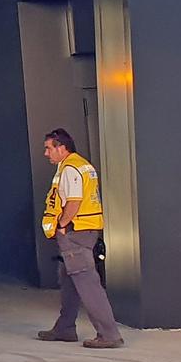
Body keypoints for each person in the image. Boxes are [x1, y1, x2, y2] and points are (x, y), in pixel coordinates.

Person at [37, 128, 123, 349]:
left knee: (87, 283)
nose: (46, 153)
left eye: (49, 148)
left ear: (61, 147)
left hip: (75, 233)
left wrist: (63, 225)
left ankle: (109, 334)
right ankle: (65, 327)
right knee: (68, 279)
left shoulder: (71, 169)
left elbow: (73, 202)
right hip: (82, 231)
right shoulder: (78, 165)